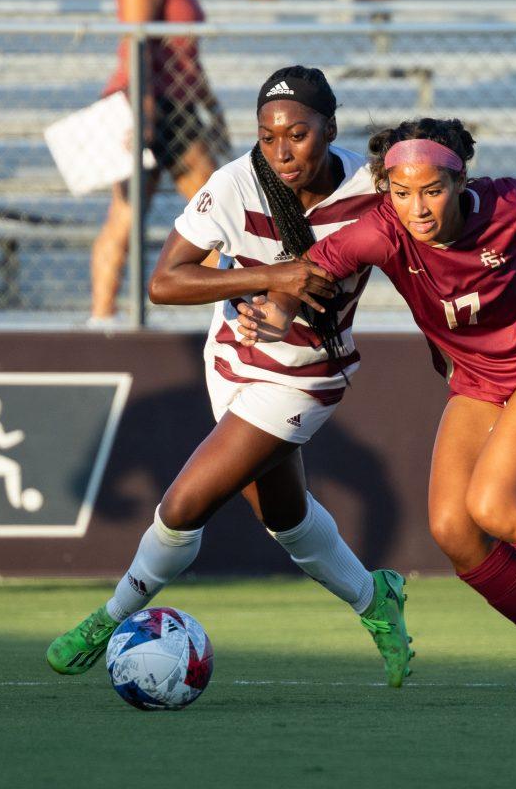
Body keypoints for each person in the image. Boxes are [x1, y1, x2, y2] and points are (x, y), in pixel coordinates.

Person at [236, 118, 516, 692]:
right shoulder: (378, 231)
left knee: (496, 506)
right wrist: (274, 319)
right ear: (386, 191)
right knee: (454, 529)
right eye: (402, 192)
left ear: (460, 180)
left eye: (432, 190)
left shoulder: (507, 202)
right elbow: (309, 273)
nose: (418, 207)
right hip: (478, 381)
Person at [48, 66, 413, 687]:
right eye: (268, 137)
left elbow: (426, 257)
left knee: (185, 503)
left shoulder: (372, 189)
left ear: (329, 128)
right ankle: (375, 600)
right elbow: (165, 281)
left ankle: (110, 617)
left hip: (304, 377)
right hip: (229, 360)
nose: (281, 151)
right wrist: (268, 277)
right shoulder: (236, 181)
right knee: (287, 518)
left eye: (297, 135)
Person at [90, 0, 228, 324]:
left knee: (214, 213)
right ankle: (103, 314)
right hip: (151, 106)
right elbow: (136, 45)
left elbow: (186, 57)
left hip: (179, 105)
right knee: (128, 213)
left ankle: (227, 307)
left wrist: (210, 106)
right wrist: (145, 112)